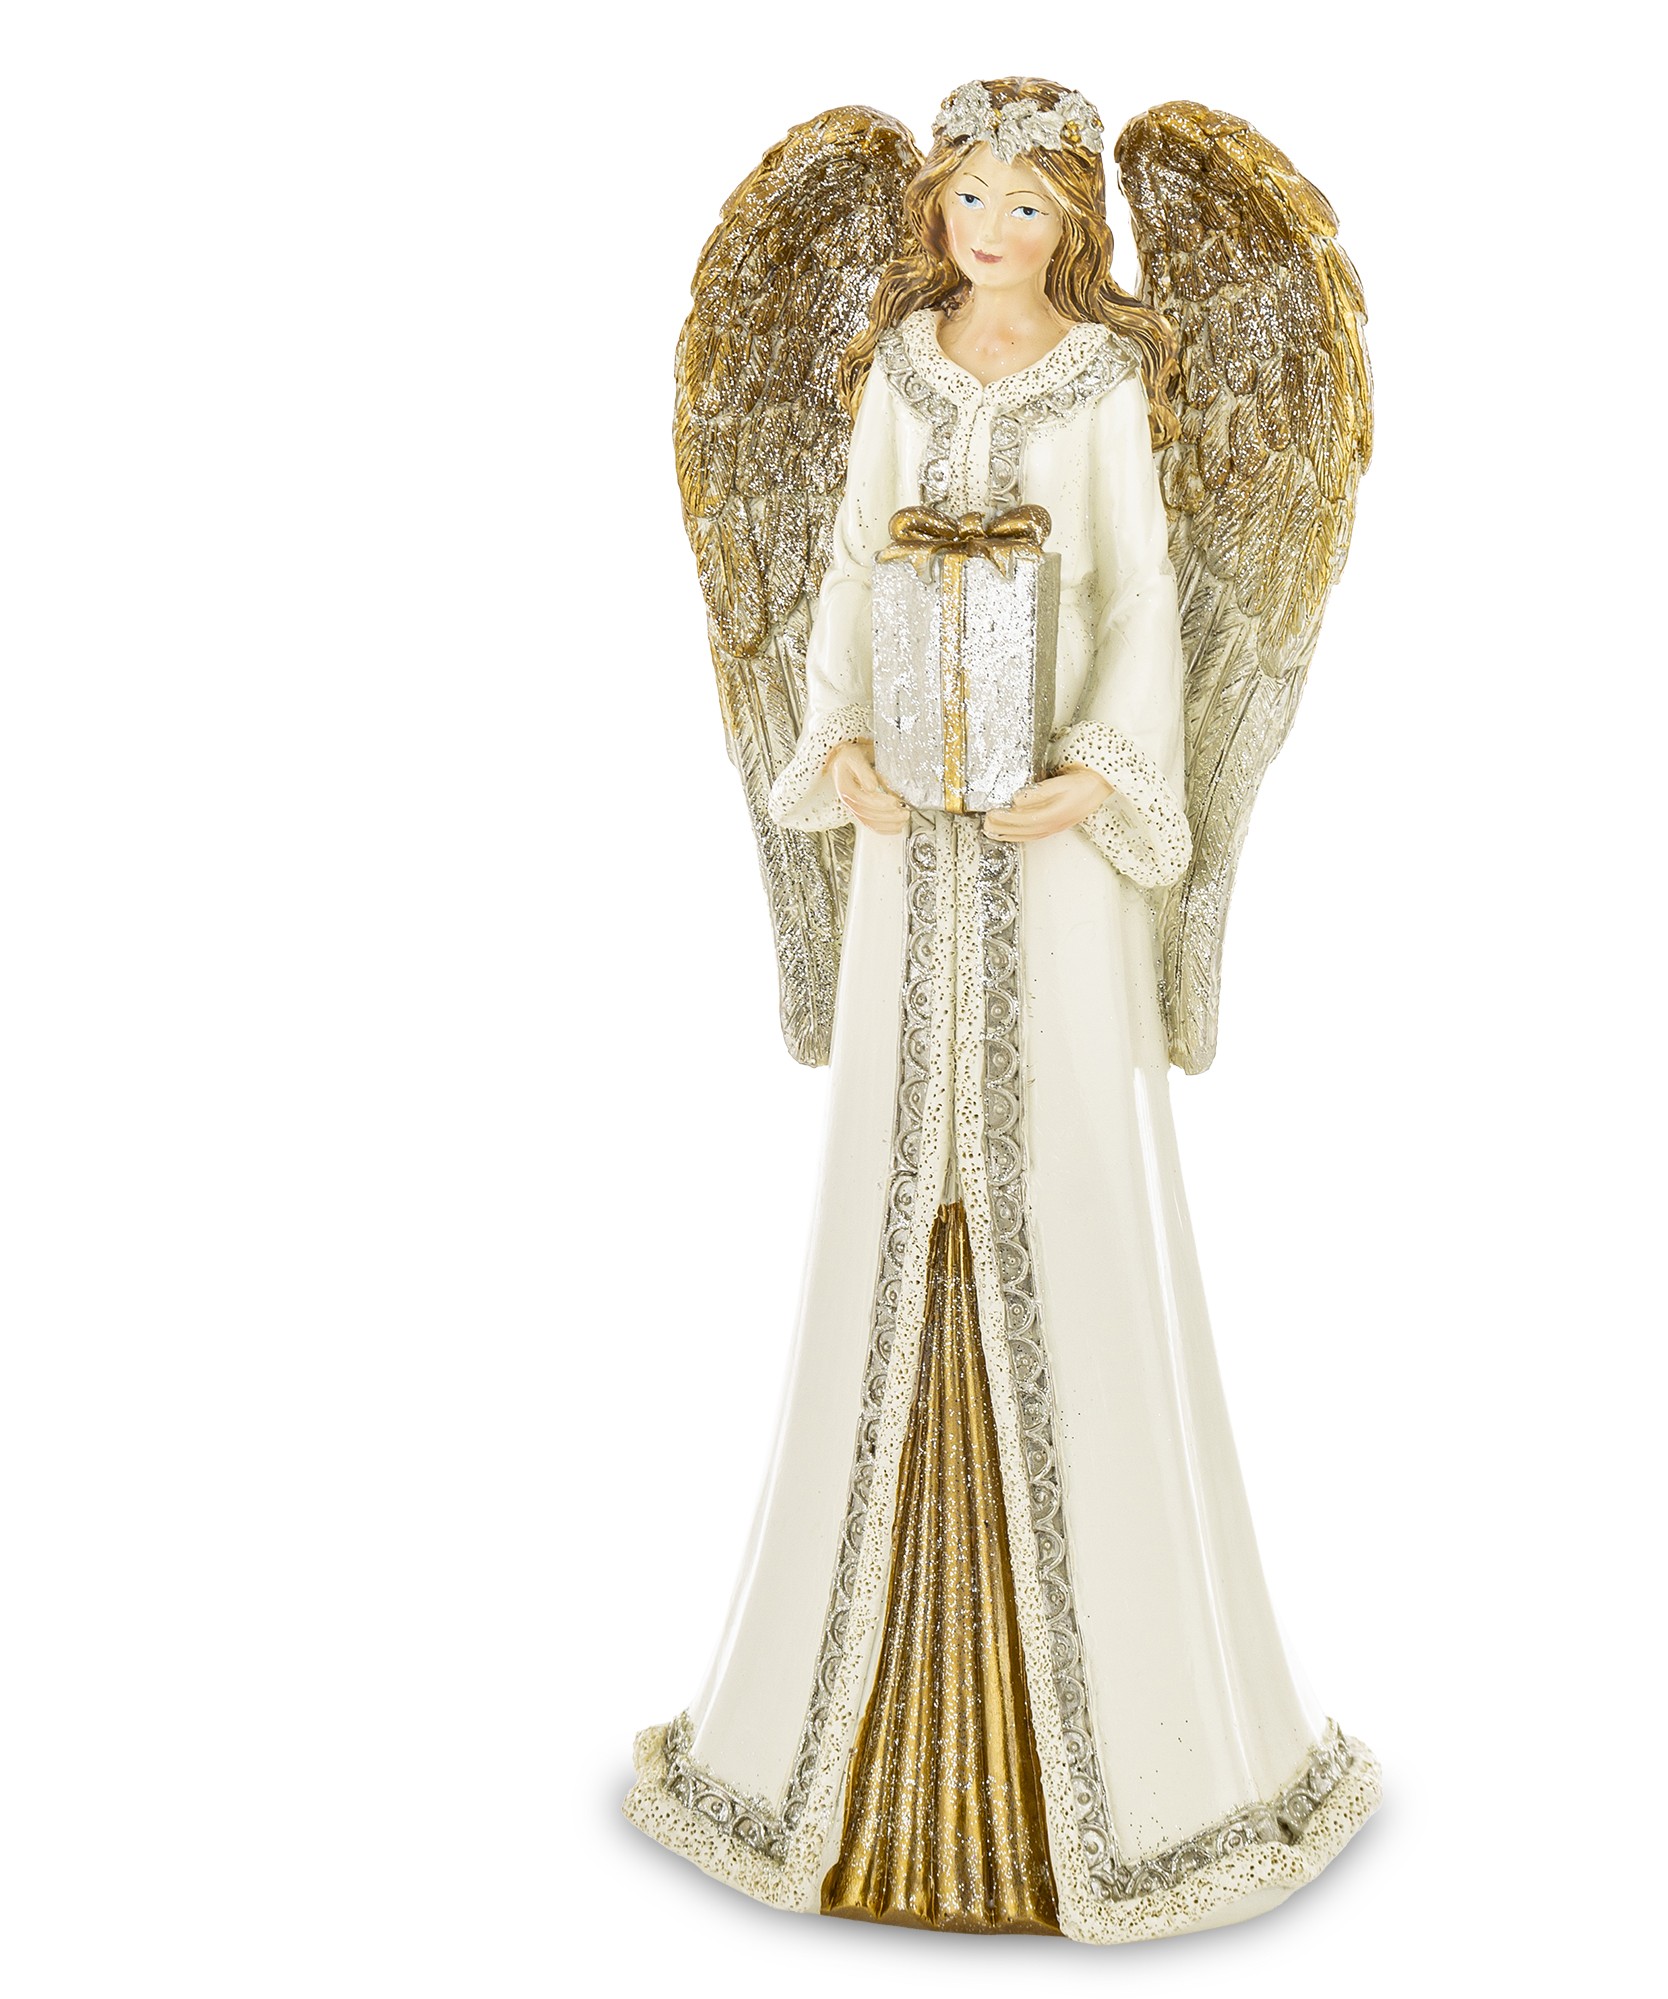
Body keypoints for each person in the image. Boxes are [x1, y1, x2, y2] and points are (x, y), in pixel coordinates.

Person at [624, 76, 1379, 1944]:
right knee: (892, 1188)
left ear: (1073, 228)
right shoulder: (896, 371)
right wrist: (844, 747)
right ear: (938, 209)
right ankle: (830, 1740)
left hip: (1051, 850)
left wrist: (1104, 774)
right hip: (910, 849)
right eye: (972, 200)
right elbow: (840, 571)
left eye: (1030, 208)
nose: (995, 234)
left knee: (1069, 1192)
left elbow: (1140, 605)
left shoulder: (1105, 387)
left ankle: (1140, 1772)